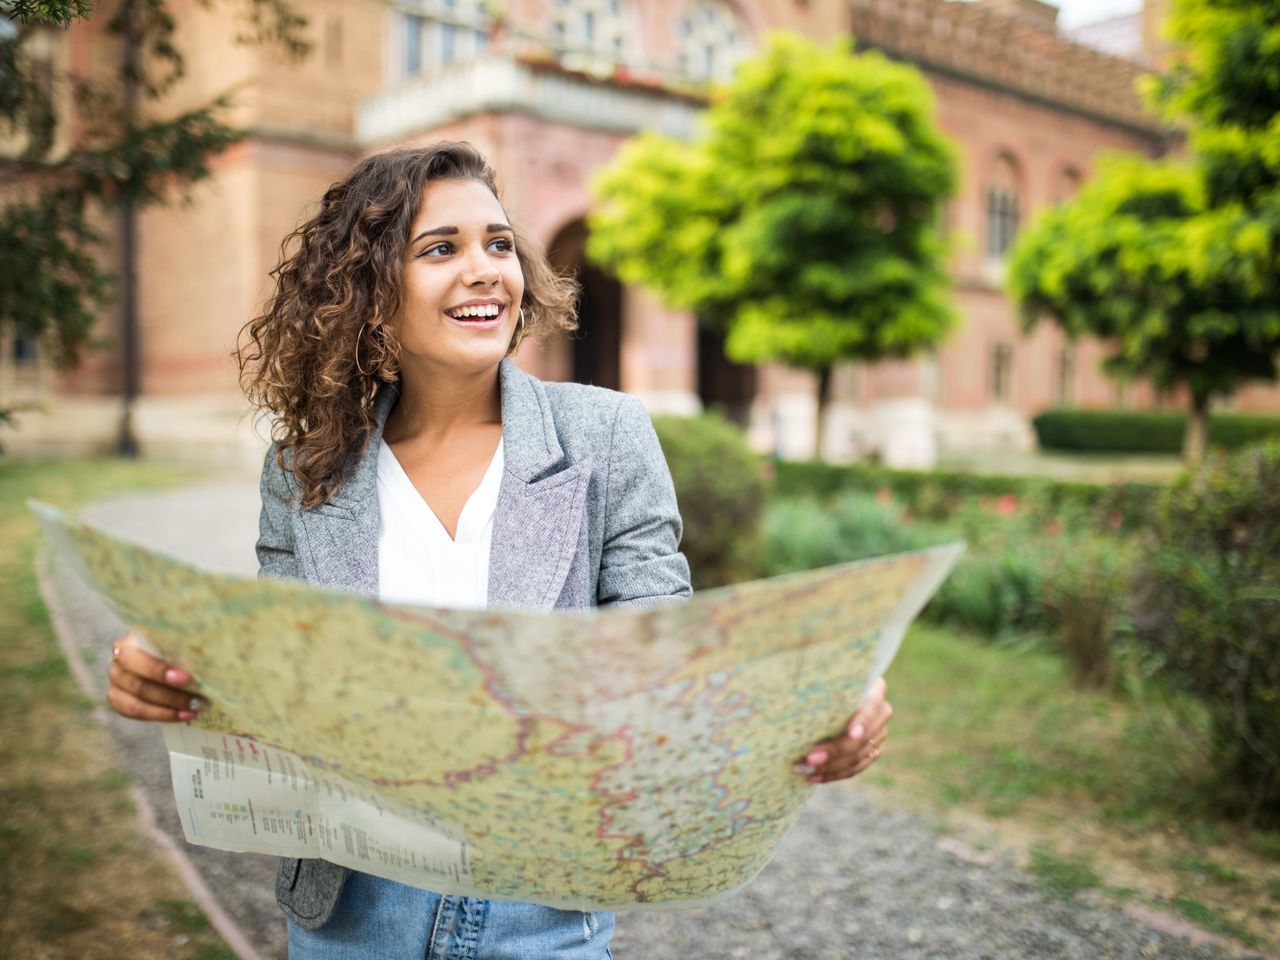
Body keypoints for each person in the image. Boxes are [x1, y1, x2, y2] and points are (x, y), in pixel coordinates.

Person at [105, 142, 894, 959]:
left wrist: (815, 700)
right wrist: (170, 663)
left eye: (499, 243)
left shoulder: (607, 434)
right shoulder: (303, 467)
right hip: (350, 911)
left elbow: (665, 651)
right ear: (369, 290)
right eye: (440, 248)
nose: (486, 269)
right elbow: (280, 663)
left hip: (540, 909)